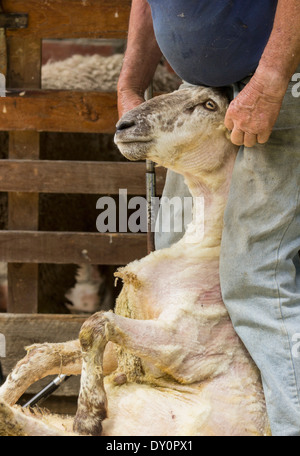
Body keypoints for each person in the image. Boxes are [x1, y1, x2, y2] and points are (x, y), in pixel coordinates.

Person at [117, 0, 300, 436]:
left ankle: (290, 426)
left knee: (257, 273)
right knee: (179, 258)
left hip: (280, 83)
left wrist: (272, 79)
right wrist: (129, 82)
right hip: (200, 90)